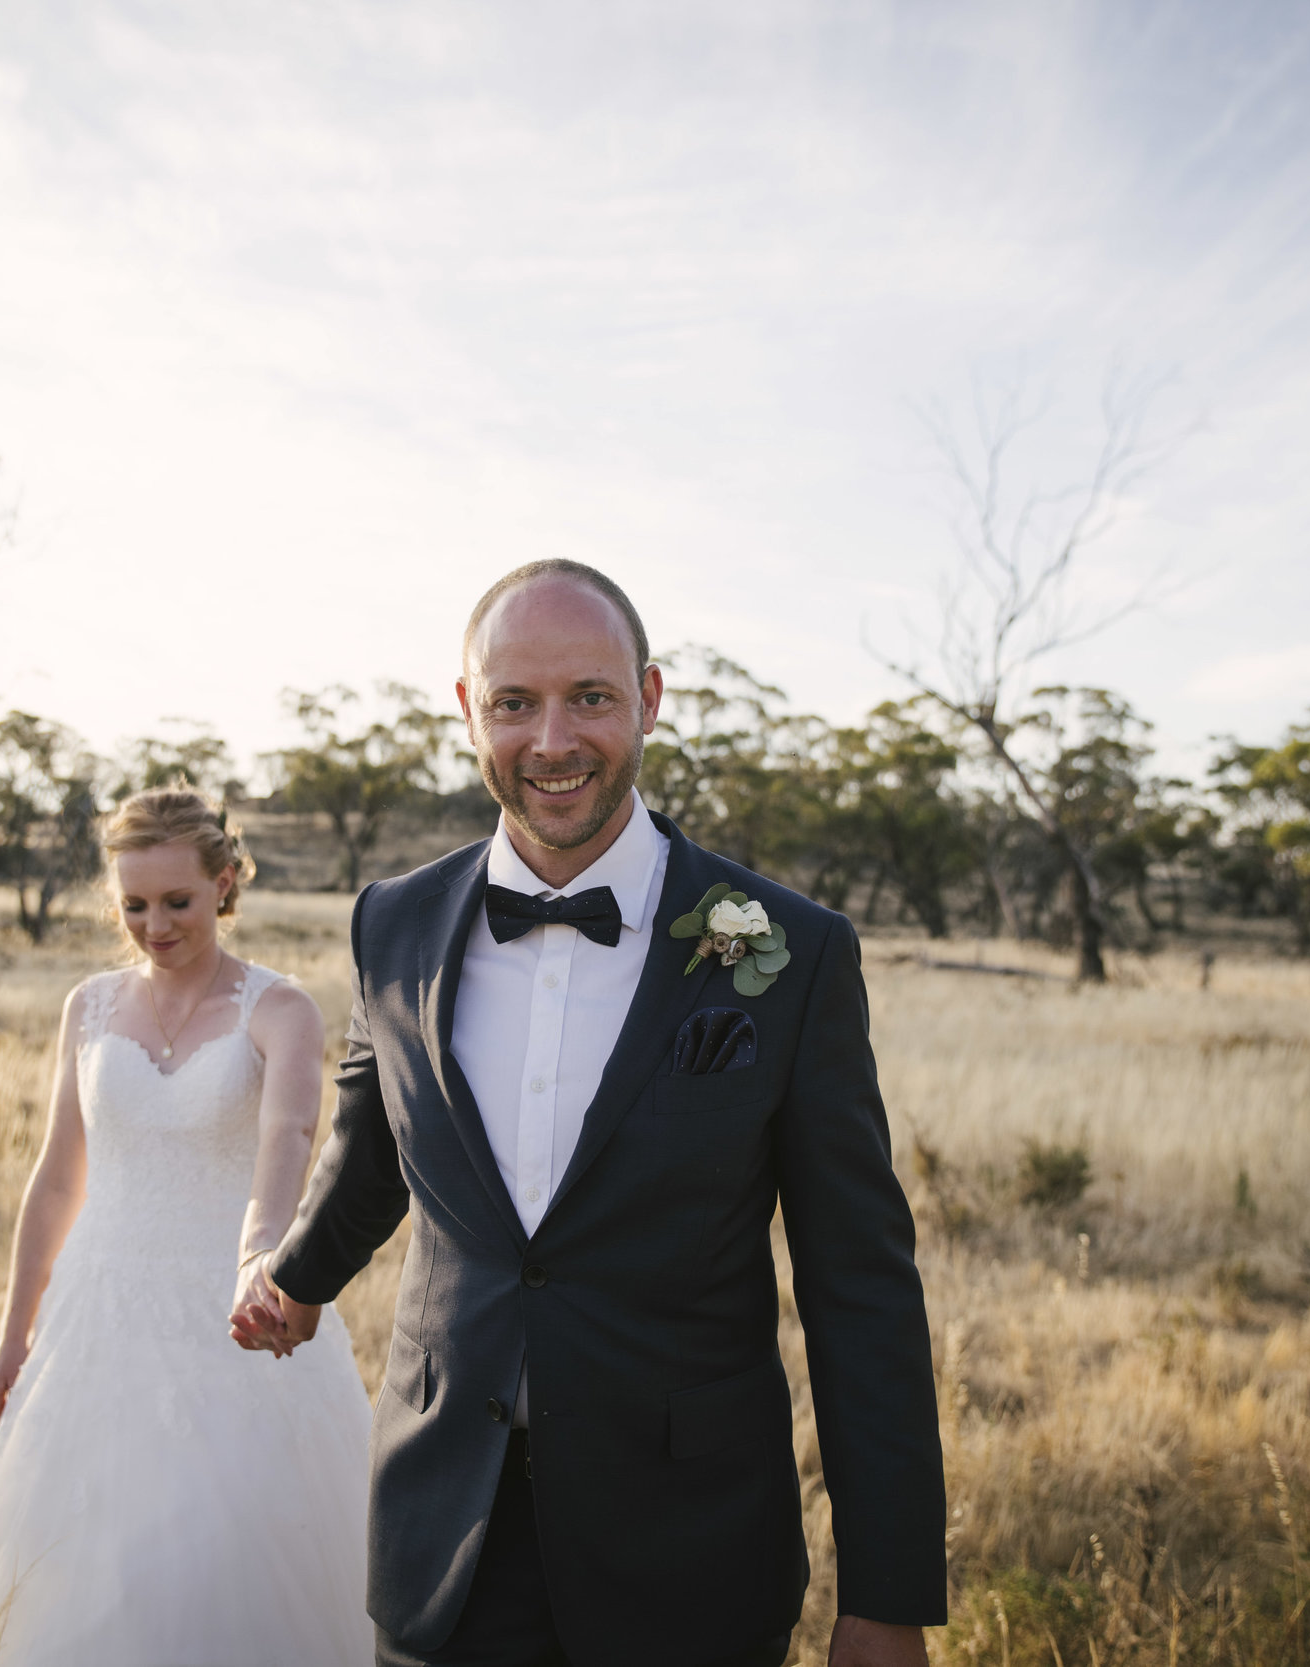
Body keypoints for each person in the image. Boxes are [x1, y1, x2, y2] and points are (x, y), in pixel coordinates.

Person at [232, 562, 945, 1667]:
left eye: (591, 697)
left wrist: (888, 1591)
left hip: (690, 1557)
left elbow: (860, 1289)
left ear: (648, 700)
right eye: (514, 702)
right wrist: (296, 1275)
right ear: (469, 710)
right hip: (442, 1543)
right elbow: (373, 1149)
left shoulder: (789, 952)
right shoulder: (393, 922)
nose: (552, 739)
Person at [0, 788, 373, 1667]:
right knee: (73, 1573)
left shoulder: (279, 1010)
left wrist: (260, 1259)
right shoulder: (87, 1007)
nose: (154, 925)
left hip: (231, 1320)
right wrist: (12, 1338)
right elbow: (55, 1178)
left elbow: (289, 1139)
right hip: (96, 1319)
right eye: (133, 904)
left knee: (215, 1559)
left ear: (225, 883)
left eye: (177, 902)